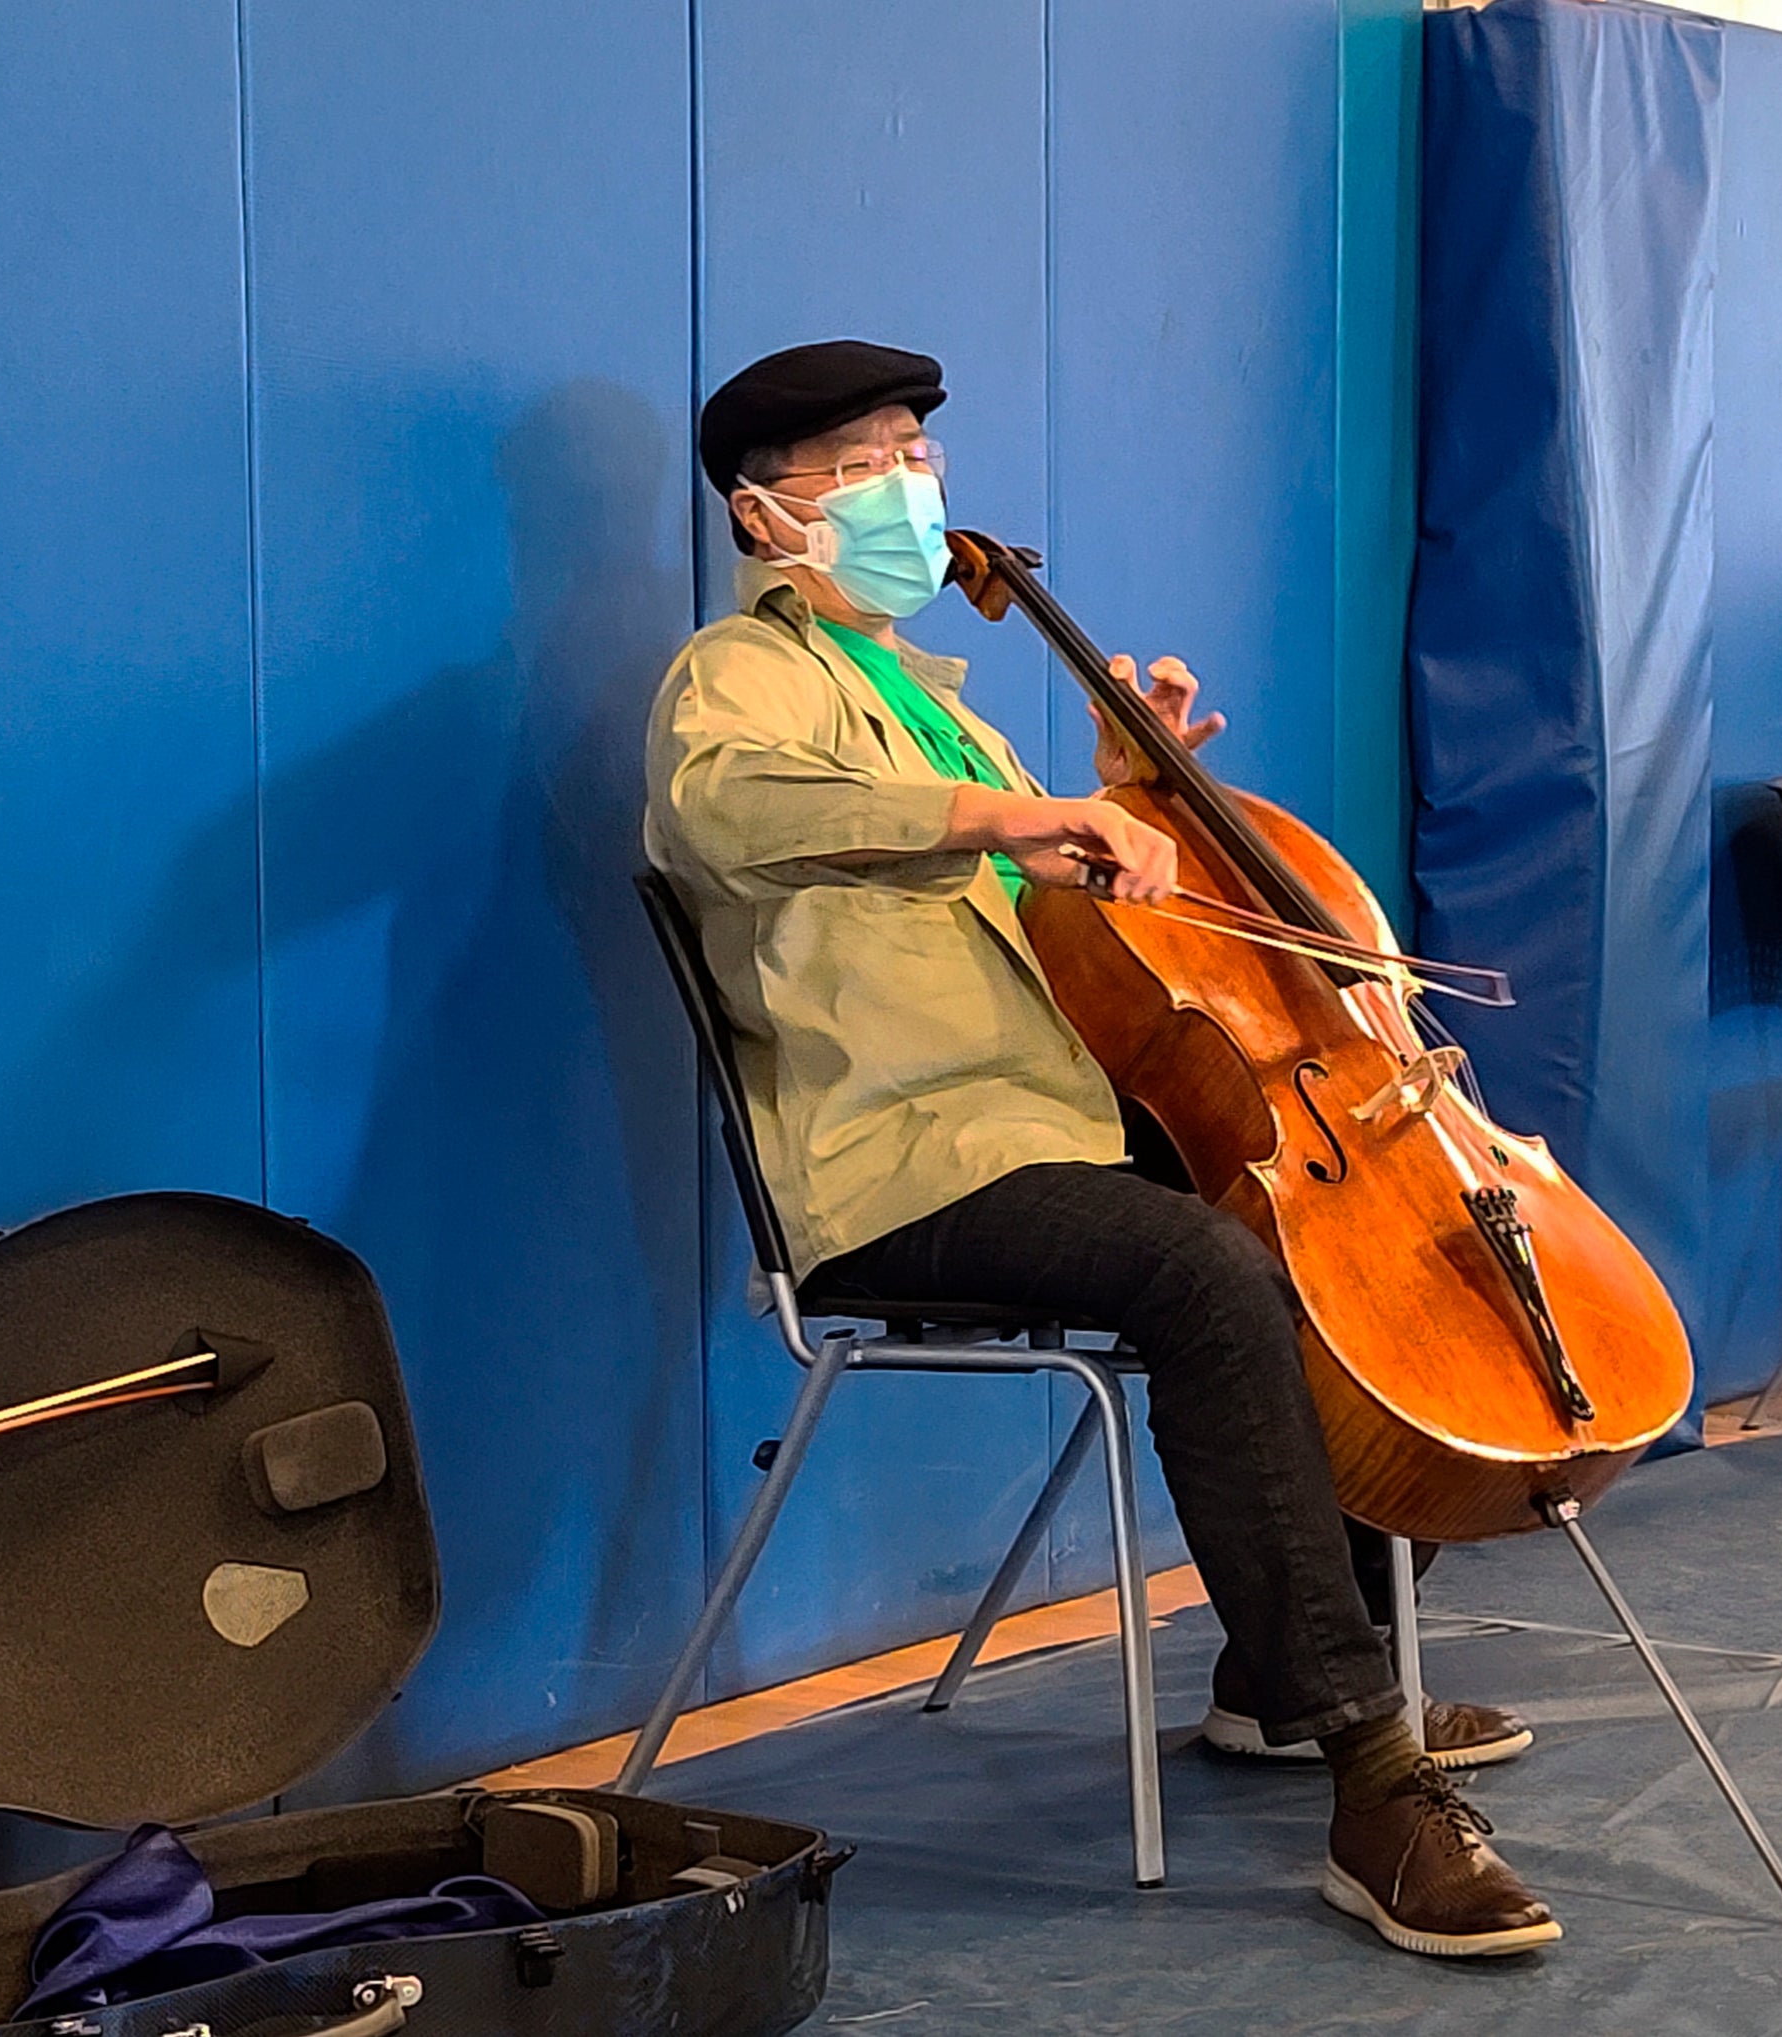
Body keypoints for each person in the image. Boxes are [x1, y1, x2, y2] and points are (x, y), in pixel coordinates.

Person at [644, 339, 1558, 1957]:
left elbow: (1071, 937)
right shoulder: (743, 676)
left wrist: (1129, 783)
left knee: (1292, 1233)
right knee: (1201, 1265)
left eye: (917, 451)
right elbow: (723, 813)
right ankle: (1371, 1770)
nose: (913, 485)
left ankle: (1277, 1681)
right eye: (866, 464)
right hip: (900, 1173)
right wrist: (1013, 820)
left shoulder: (940, 707)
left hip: (1041, 1138)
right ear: (768, 514)